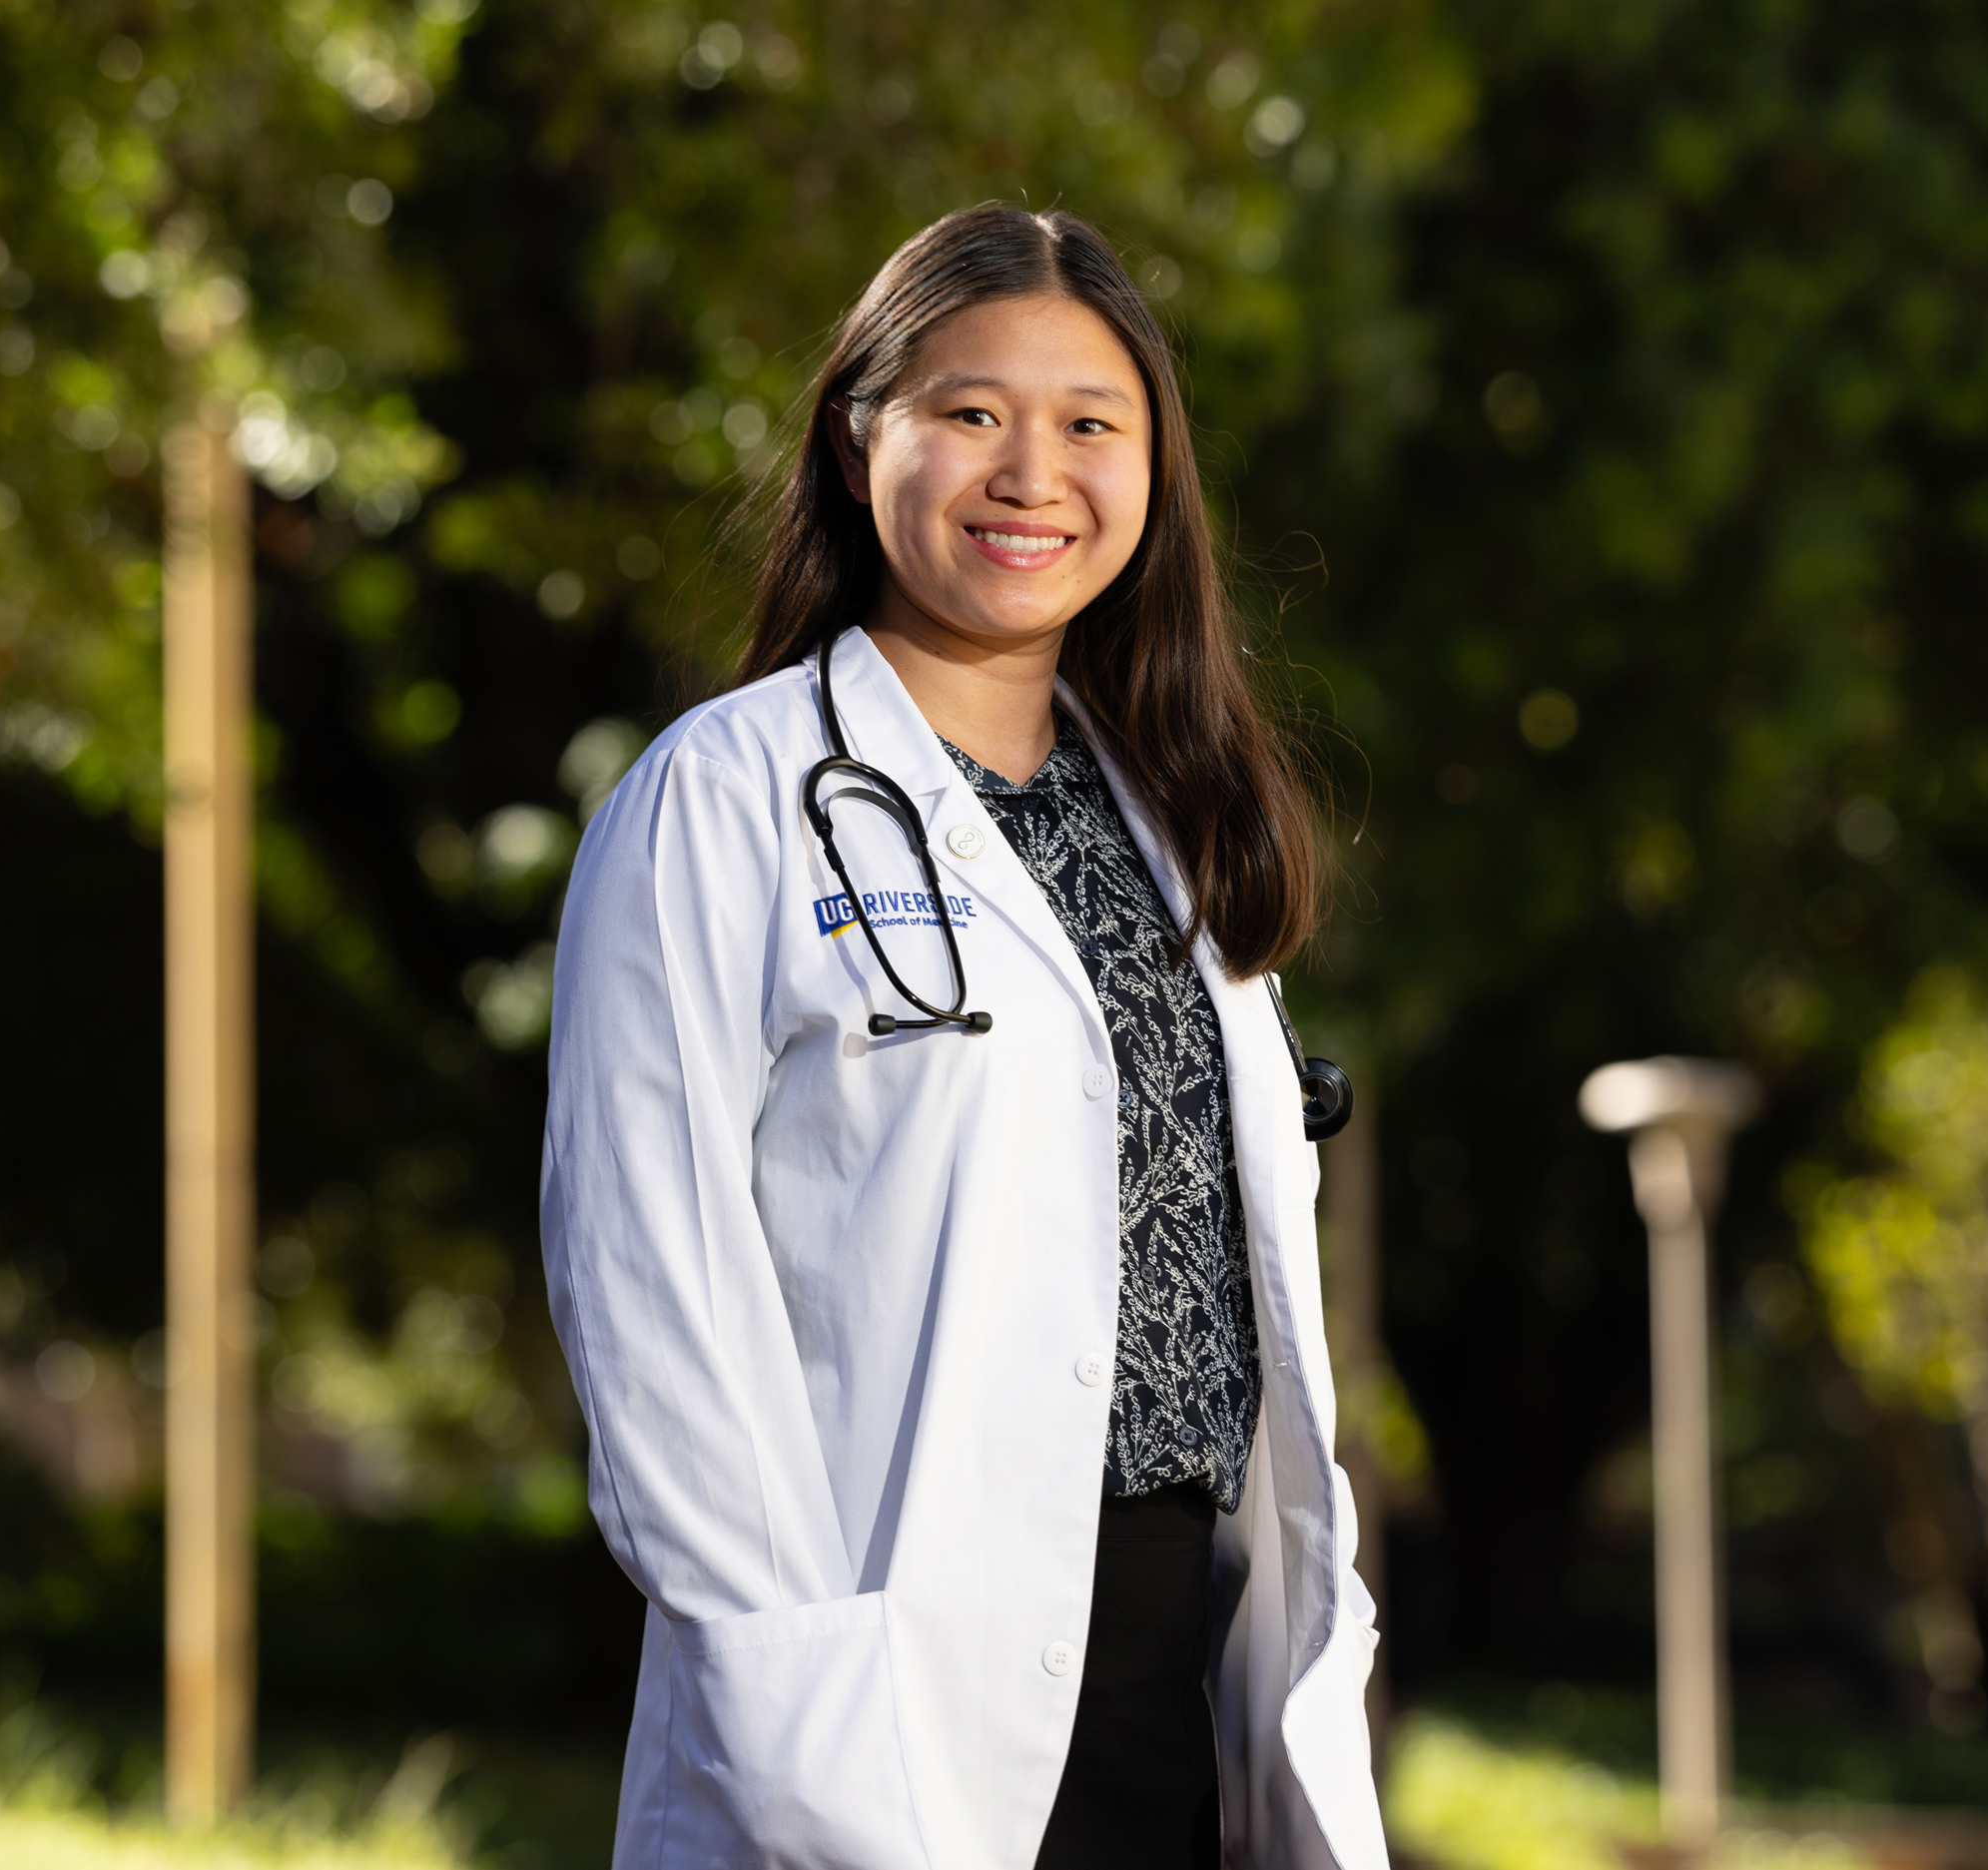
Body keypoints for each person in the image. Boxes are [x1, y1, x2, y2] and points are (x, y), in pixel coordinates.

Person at [538, 203, 1388, 1870]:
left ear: (1152, 475)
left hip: (1175, 1700)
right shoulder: (723, 801)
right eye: (970, 414)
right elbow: (654, 1309)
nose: (1033, 473)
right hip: (866, 1728)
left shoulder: (1176, 825)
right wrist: (806, 1739)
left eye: (1091, 424)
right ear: (864, 442)